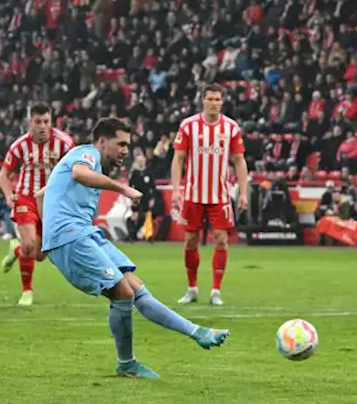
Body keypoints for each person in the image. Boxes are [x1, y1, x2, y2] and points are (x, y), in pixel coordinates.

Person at [42, 117, 229, 379]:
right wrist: (124, 189)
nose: (125, 151)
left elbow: (44, 192)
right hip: (71, 237)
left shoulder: (89, 162)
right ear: (102, 141)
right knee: (122, 292)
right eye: (120, 144)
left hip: (86, 234)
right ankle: (126, 363)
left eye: (128, 146)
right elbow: (79, 174)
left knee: (135, 286)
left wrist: (43, 236)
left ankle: (197, 332)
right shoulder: (86, 154)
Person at [172, 84, 249, 306]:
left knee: (222, 240)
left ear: (222, 102)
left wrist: (243, 192)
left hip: (220, 196)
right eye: (211, 99)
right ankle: (192, 288)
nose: (214, 103)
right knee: (190, 240)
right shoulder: (188, 126)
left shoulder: (231, 128)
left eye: (218, 99)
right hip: (193, 194)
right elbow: (178, 158)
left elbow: (239, 161)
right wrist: (176, 189)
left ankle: (216, 291)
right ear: (203, 101)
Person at [0, 104, 75, 307]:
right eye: (38, 122)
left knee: (39, 255)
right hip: (26, 198)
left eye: (46, 122)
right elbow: (4, 174)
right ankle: (27, 291)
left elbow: (75, 171)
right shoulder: (20, 146)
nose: (42, 126)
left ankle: (16, 250)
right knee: (30, 245)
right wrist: (8, 194)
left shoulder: (65, 144)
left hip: (51, 202)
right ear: (30, 122)